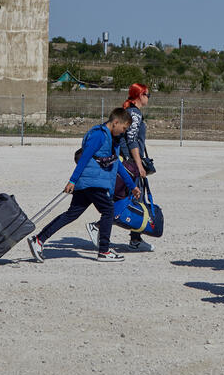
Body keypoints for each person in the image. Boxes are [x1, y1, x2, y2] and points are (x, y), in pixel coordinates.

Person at [27, 108, 140, 263]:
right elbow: (85, 157)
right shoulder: (99, 135)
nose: (123, 132)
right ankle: (104, 251)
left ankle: (38, 240)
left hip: (90, 182)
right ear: (116, 122)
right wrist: (72, 180)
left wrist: (132, 185)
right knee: (108, 210)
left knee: (71, 214)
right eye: (124, 128)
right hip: (93, 182)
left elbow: (117, 165)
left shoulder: (111, 139)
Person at [89, 83, 155, 252]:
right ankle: (127, 236)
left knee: (130, 199)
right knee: (132, 198)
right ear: (139, 95)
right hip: (130, 163)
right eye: (147, 94)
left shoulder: (130, 113)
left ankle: (135, 237)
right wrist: (138, 164)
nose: (149, 97)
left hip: (127, 161)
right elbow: (132, 140)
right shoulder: (135, 114)